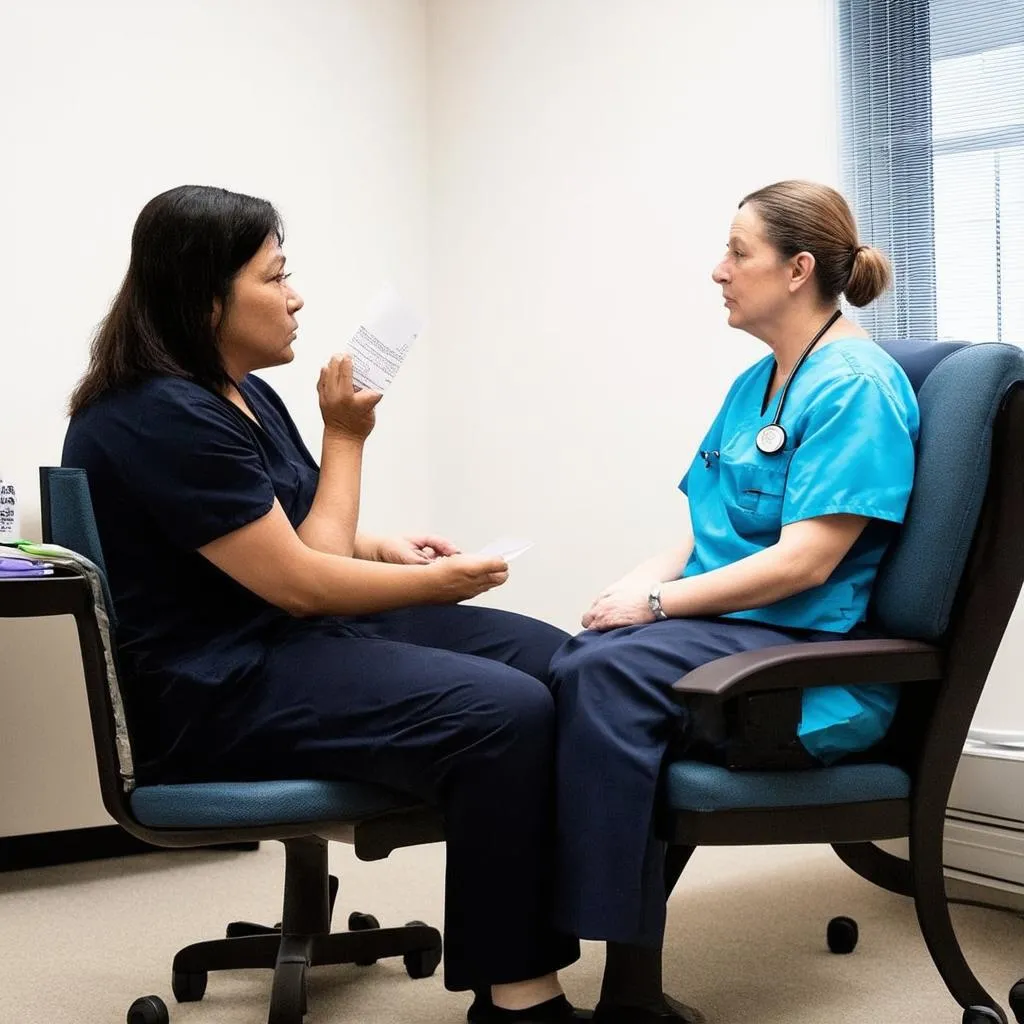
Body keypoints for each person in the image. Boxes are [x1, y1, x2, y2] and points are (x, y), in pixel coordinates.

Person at [62, 185, 584, 1023]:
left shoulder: (242, 393)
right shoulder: (155, 417)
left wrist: (389, 549)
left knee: (564, 661)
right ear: (205, 296)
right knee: (504, 713)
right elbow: (303, 580)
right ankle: (519, 997)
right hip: (220, 684)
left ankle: (596, 927)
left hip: (295, 636)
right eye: (275, 277)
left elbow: (299, 531)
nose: (297, 295)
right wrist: (350, 444)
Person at [548, 181, 920, 1023]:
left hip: (798, 664)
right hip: (729, 634)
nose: (718, 271)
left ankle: (621, 982)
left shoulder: (855, 384)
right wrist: (635, 588)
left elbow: (806, 562)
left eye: (737, 253)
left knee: (602, 684)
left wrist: (657, 603)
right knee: (568, 659)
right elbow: (702, 525)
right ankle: (597, 957)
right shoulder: (759, 381)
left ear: (796, 270)